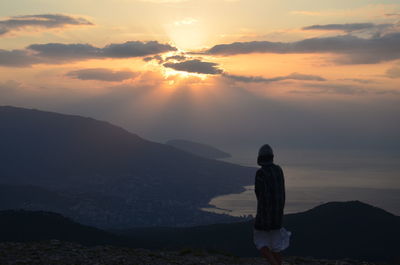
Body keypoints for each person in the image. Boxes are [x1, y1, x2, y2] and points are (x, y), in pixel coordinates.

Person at [253, 144, 291, 265]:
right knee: (276, 246)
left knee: (260, 241)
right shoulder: (279, 170)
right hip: (277, 215)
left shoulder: (261, 173)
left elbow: (259, 194)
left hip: (264, 216)